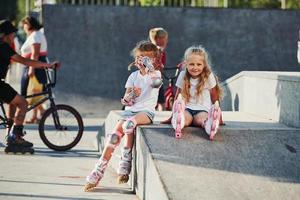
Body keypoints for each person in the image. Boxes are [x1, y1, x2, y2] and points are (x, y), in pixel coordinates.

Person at [84, 40, 161, 192]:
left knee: (129, 125)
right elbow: (126, 98)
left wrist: (149, 71)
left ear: (154, 60)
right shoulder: (133, 76)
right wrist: (131, 95)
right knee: (113, 136)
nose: (141, 61)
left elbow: (157, 84)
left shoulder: (155, 74)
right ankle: (98, 169)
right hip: (130, 111)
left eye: (146, 58)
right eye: (139, 57)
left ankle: (125, 163)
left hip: (146, 113)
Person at [0, 20, 58, 153]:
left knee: (13, 102)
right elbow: (24, 61)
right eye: (13, 35)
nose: (14, 37)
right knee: (23, 103)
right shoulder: (3, 46)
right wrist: (46, 65)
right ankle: (16, 138)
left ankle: (10, 132)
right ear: (6, 35)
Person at [171, 45, 222, 140]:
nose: (195, 67)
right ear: (186, 64)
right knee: (185, 119)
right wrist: (172, 114)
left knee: (201, 120)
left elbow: (215, 97)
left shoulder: (209, 76)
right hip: (186, 108)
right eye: (191, 64)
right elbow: (178, 96)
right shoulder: (183, 75)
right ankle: (178, 121)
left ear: (204, 65)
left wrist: (219, 116)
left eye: (199, 64)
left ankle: (209, 125)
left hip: (203, 110)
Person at [20, 16, 48, 123]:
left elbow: (35, 54)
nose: (24, 28)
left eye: (24, 25)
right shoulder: (37, 34)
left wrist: (31, 69)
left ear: (29, 24)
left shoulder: (35, 35)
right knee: (35, 92)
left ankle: (41, 111)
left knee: (29, 93)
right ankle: (35, 116)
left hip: (32, 67)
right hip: (36, 66)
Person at [149, 27, 168, 111]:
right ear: (155, 39)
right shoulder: (157, 50)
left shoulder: (159, 50)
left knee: (159, 99)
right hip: (153, 77)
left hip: (157, 76)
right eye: (161, 38)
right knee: (161, 101)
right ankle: (161, 116)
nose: (164, 41)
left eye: (164, 38)